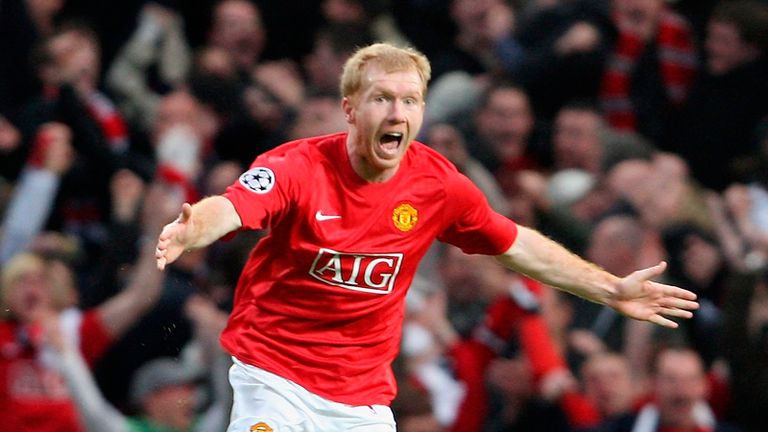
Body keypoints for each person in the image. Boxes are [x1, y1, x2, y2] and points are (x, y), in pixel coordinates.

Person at [154, 42, 699, 432]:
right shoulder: (298, 166)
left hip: (362, 402)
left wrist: (610, 288)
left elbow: (518, 245)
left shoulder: (437, 185)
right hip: (274, 376)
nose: (398, 113)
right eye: (382, 98)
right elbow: (232, 206)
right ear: (350, 109)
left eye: (410, 100)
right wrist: (191, 228)